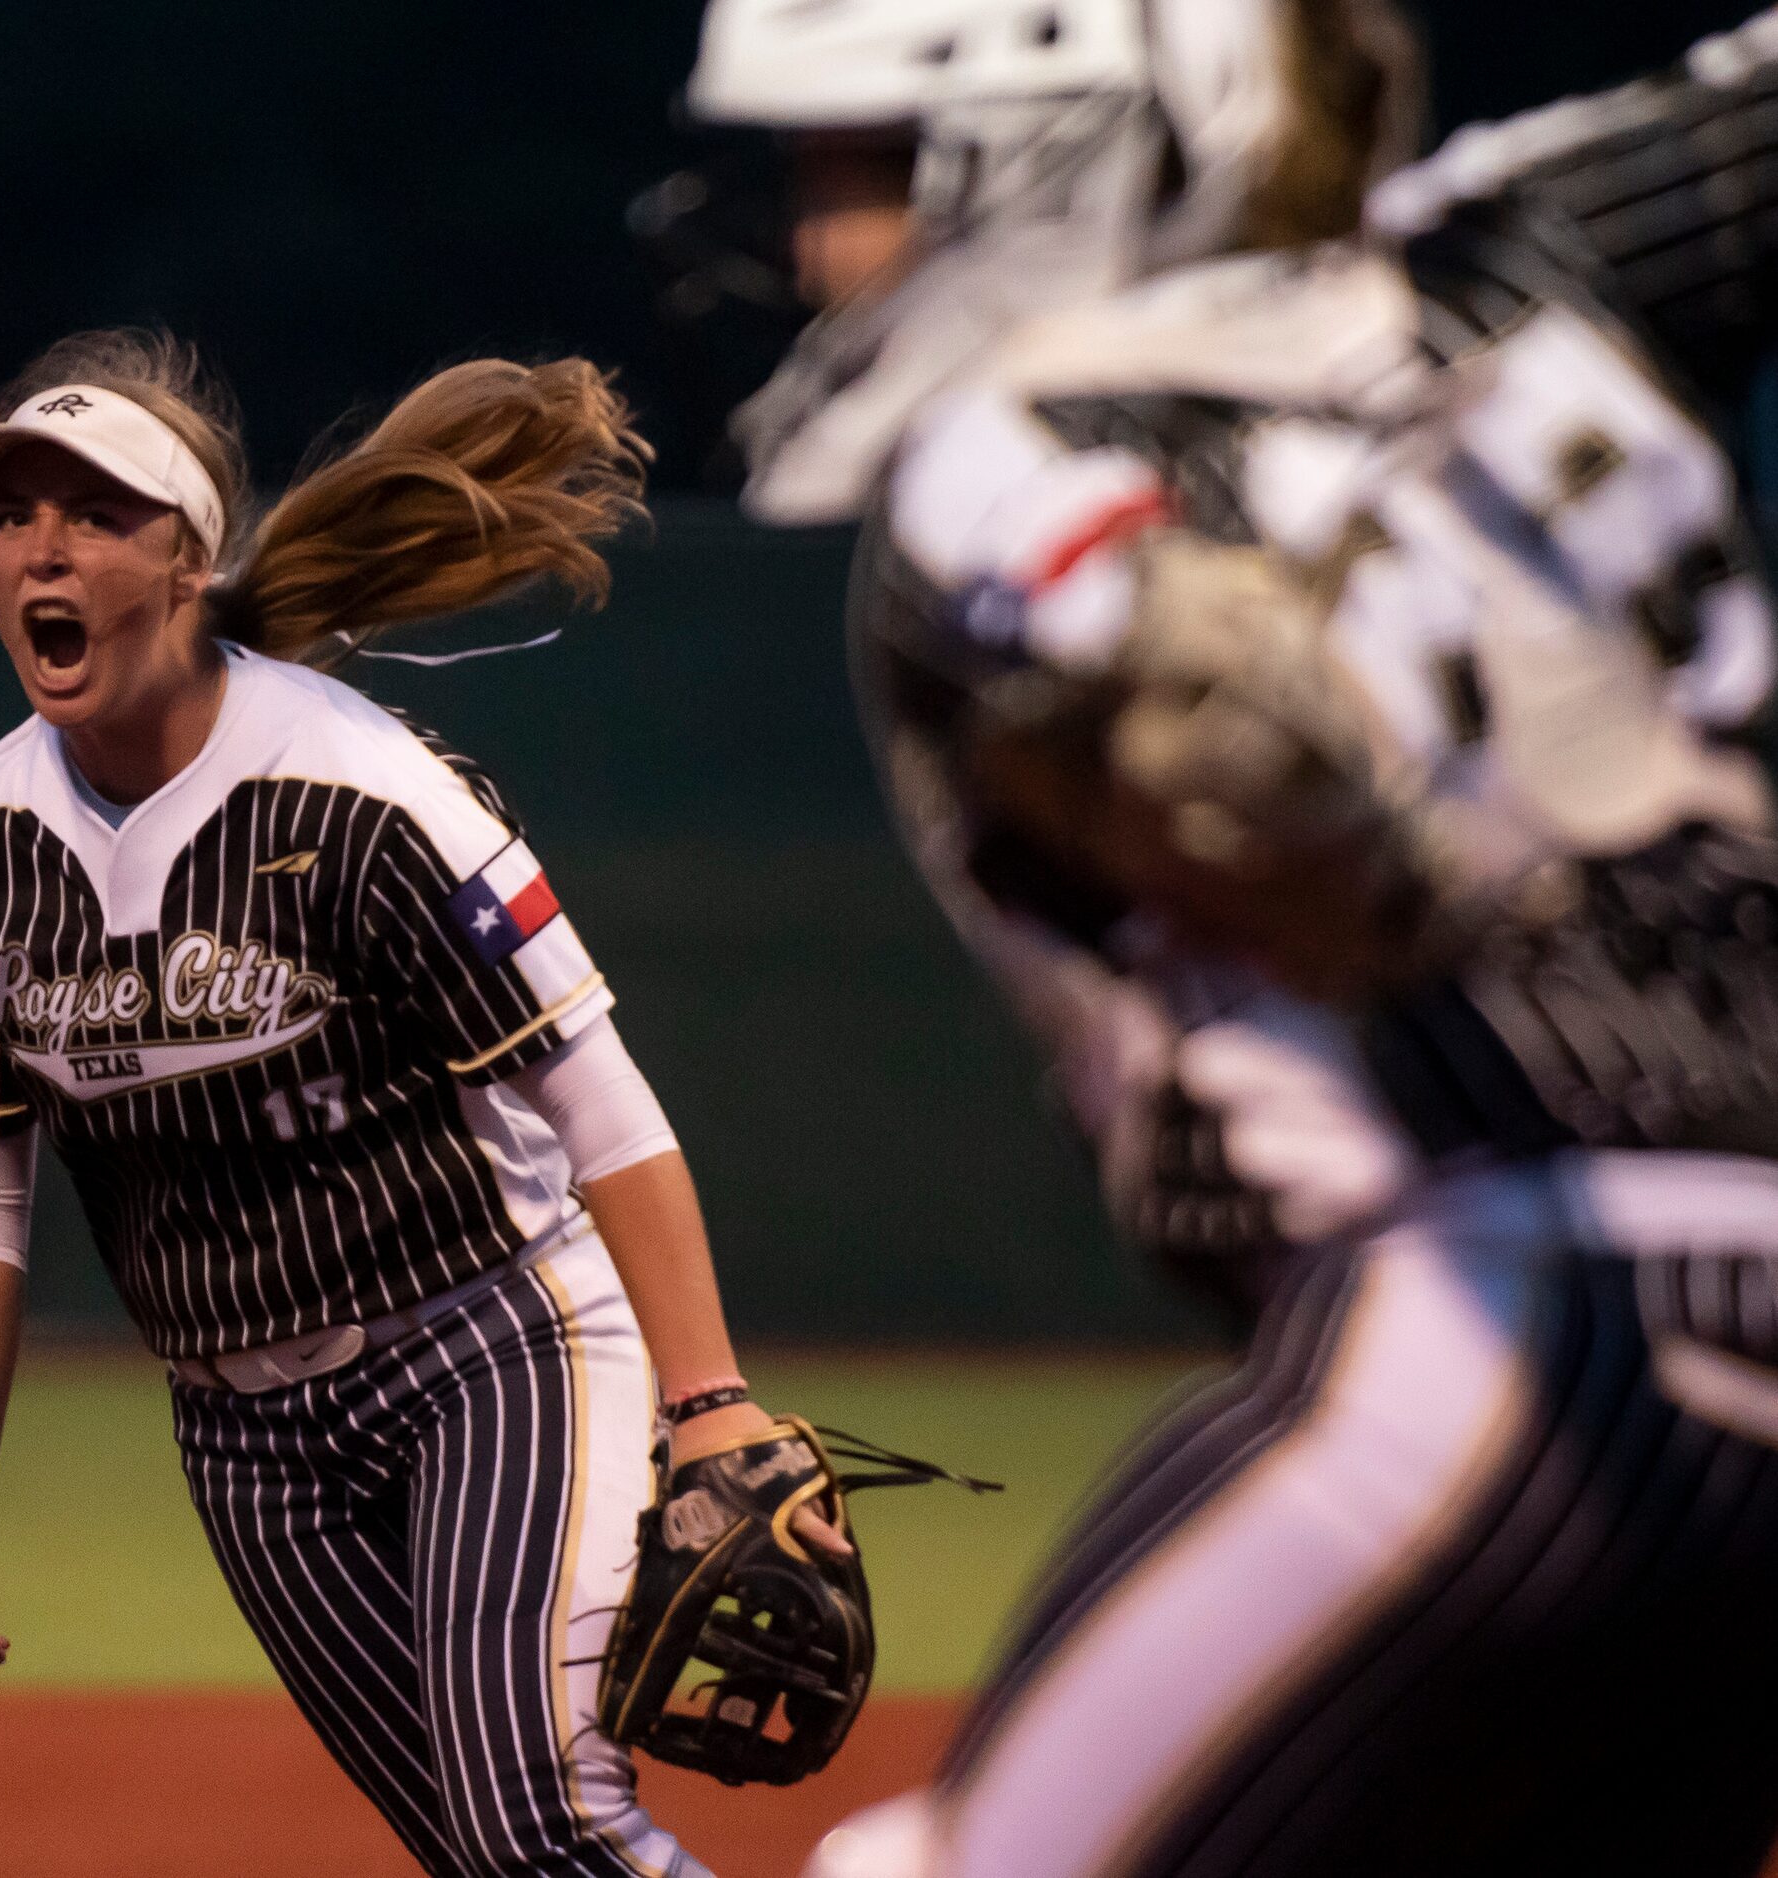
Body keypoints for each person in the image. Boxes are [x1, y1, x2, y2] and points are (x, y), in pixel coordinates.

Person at [649, 0, 1778, 1871]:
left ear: (1043, 145)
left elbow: (1188, 684)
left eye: (858, 173)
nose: (811, 247)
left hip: (1511, 1333)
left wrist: (1411, 856)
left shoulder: (991, 448)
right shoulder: (1523, 264)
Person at [0, 329, 837, 1878]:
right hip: (244, 1431)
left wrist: (709, 1395)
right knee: (481, 1858)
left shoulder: (361, 791)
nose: (40, 549)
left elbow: (596, 1096)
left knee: (538, 1831)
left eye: (92, 513)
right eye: (9, 518)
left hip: (488, 1348)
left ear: (188, 560)